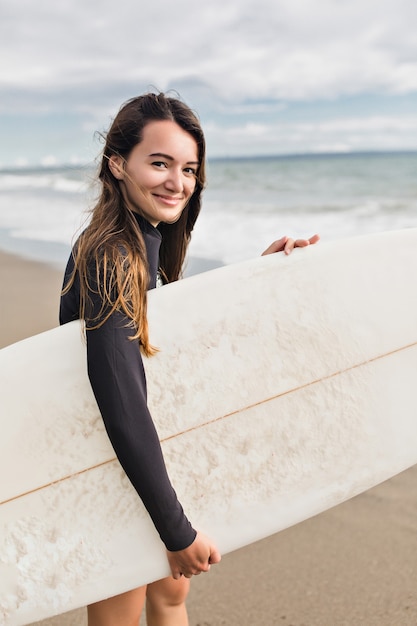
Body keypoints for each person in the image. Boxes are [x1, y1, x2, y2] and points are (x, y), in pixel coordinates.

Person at [59, 92, 319, 626]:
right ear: (117, 164)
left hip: (146, 459)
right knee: (120, 612)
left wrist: (254, 281)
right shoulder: (111, 256)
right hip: (113, 466)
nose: (177, 182)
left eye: (189, 169)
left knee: (170, 597)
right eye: (159, 163)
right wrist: (176, 531)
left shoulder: (143, 241)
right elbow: (121, 398)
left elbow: (163, 343)